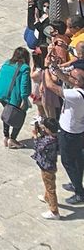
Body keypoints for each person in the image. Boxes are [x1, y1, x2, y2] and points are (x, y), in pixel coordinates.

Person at [48, 61, 84, 204]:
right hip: (77, 131)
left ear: (77, 82)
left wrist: (45, 69)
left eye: (72, 76)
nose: (69, 76)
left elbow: (51, 86)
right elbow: (68, 80)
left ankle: (79, 192)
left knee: (68, 161)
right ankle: (76, 183)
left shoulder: (75, 95)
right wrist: (55, 69)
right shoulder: (79, 90)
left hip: (69, 133)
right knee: (78, 160)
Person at [0, 47, 31, 148]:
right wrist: (24, 99)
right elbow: (24, 85)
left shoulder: (7, 63)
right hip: (13, 96)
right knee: (20, 115)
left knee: (7, 112)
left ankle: (6, 136)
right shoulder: (24, 68)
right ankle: (13, 139)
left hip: (1, 94)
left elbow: (0, 76)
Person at [31, 117, 62, 220]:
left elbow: (38, 147)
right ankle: (47, 197)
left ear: (48, 129)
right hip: (51, 165)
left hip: (46, 168)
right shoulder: (56, 137)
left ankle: (54, 211)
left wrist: (35, 136)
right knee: (48, 184)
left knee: (50, 188)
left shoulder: (47, 141)